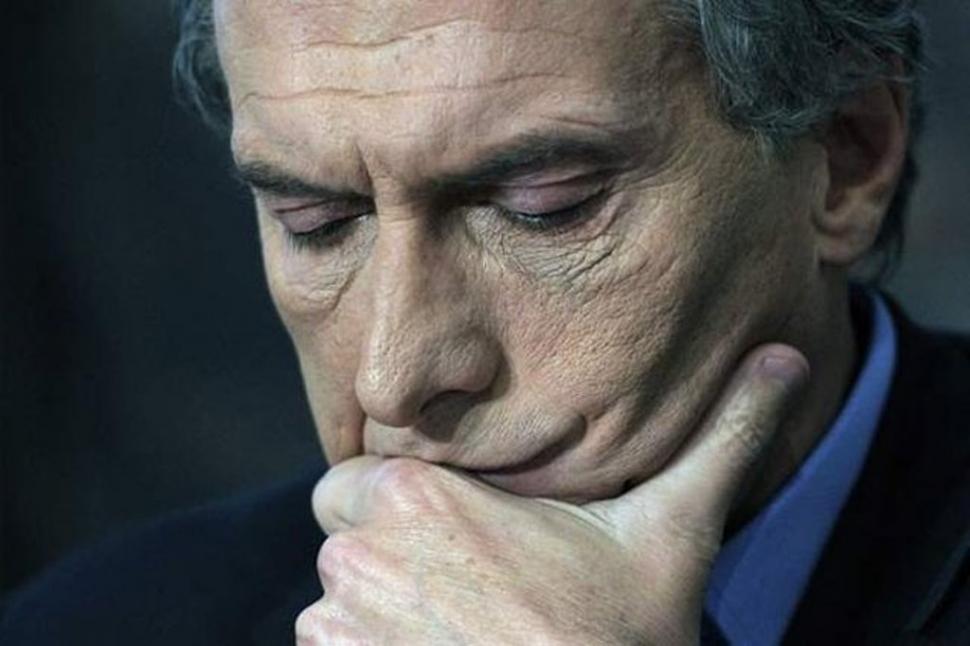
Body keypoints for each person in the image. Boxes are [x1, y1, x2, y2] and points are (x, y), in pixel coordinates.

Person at [1, 1, 967, 644]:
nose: (392, 376)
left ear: (847, 157)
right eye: (316, 222)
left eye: (543, 207)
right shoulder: (93, 624)